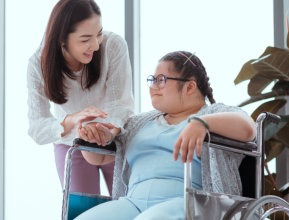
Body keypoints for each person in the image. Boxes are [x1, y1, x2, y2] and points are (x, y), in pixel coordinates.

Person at [75, 51, 256, 220]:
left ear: (190, 86)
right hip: (133, 203)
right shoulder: (138, 122)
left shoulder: (214, 113)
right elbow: (98, 158)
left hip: (186, 202)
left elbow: (249, 128)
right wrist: (90, 137)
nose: (153, 87)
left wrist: (202, 123)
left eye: (161, 80)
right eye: (152, 80)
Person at [27, 0, 134, 195]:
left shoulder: (113, 46)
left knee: (126, 205)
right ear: (62, 40)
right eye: (85, 39)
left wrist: (104, 131)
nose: (94, 45)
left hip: (114, 137)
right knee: (81, 212)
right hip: (71, 142)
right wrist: (71, 121)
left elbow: (121, 105)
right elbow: (37, 126)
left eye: (99, 34)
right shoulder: (38, 64)